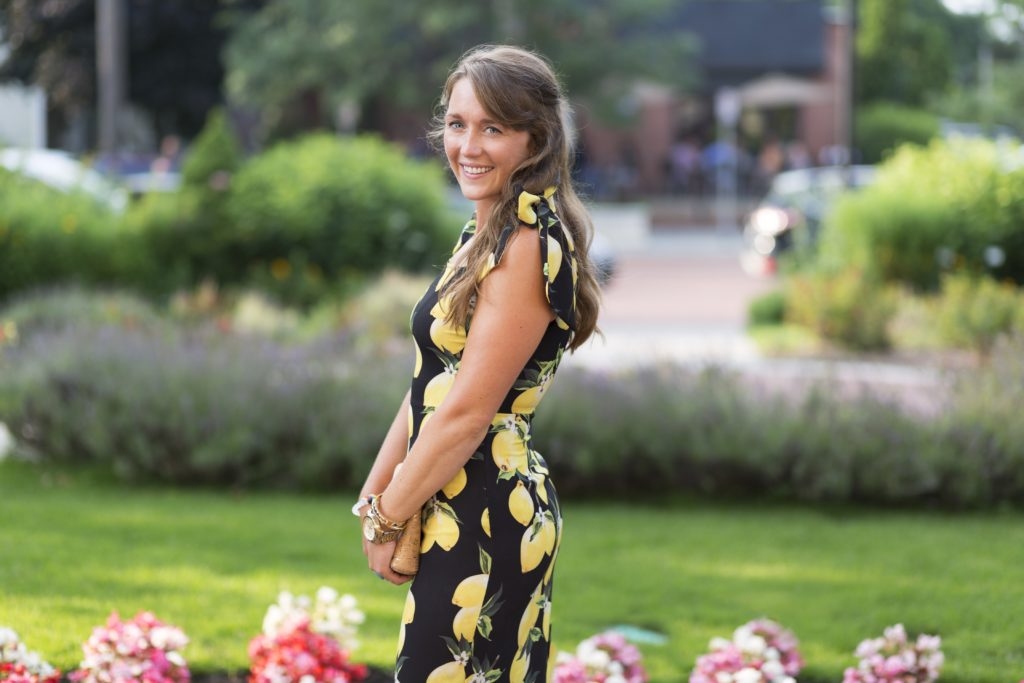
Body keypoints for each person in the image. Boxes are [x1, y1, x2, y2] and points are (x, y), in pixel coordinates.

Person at [354, 45, 602, 682]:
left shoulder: (525, 243)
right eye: (459, 124)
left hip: (488, 510)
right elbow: (433, 383)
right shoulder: (483, 233)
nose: (469, 145)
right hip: (454, 498)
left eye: (494, 128)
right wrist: (377, 493)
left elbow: (466, 414)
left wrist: (389, 515)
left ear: (536, 139)